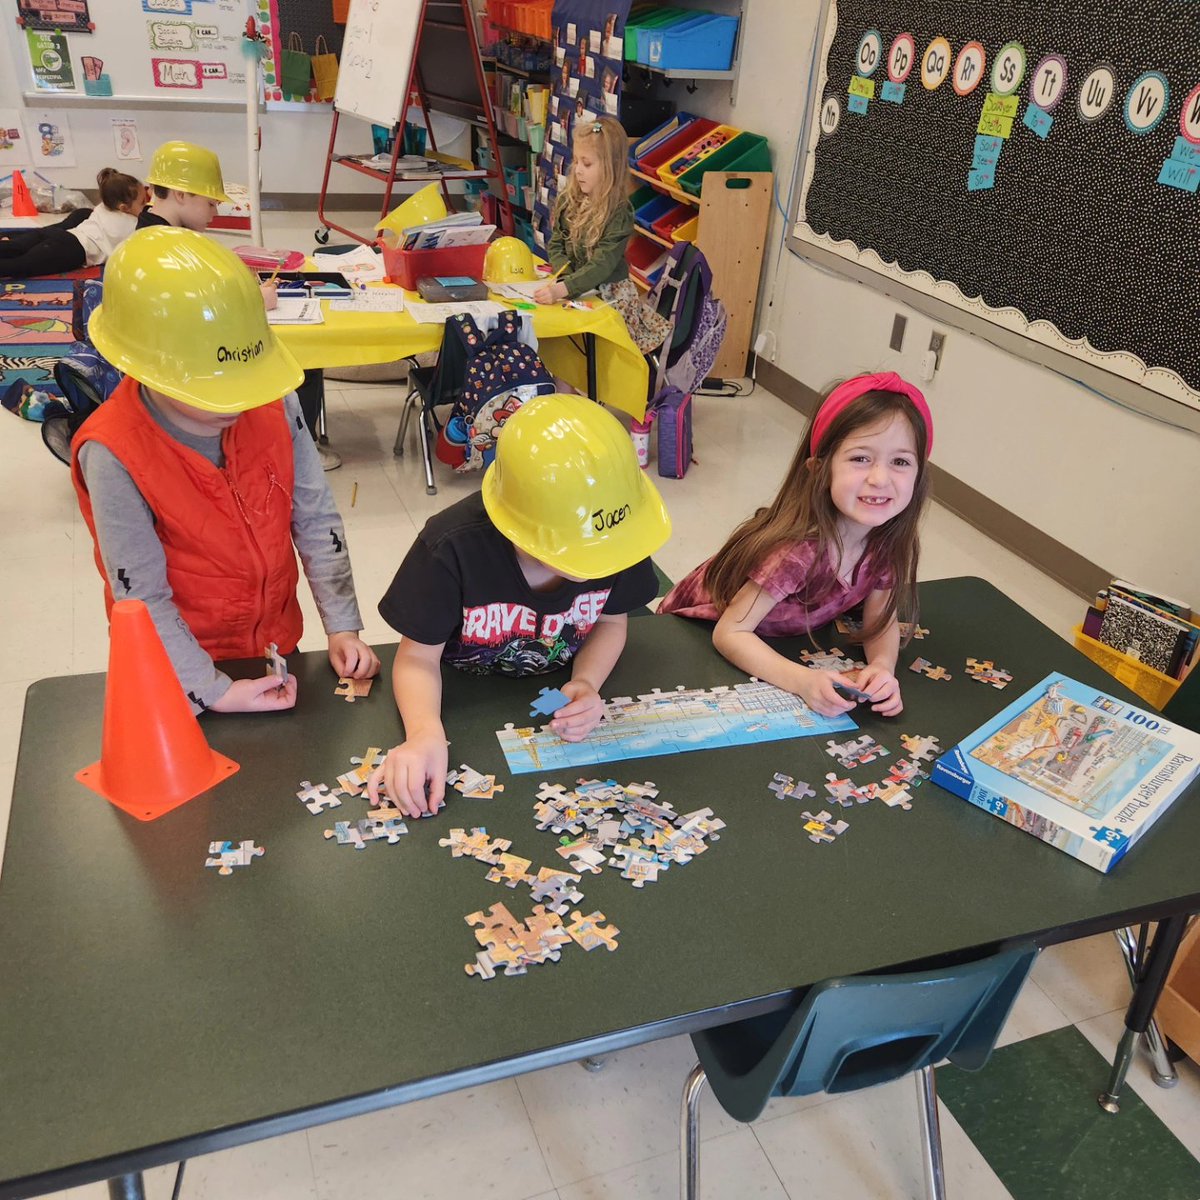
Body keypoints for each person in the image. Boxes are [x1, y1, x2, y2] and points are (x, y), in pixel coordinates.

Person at [71, 227, 379, 714]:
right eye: (216, 391)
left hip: (274, 645)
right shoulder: (111, 452)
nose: (240, 401)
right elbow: (142, 596)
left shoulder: (275, 401)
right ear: (151, 368)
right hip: (177, 663)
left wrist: (342, 626)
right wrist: (213, 692)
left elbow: (316, 520)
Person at [368, 394, 672, 817]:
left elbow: (611, 622)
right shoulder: (449, 548)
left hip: (549, 696)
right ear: (517, 520)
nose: (593, 564)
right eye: (570, 550)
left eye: (601, 552)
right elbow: (417, 658)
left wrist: (587, 682)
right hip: (459, 695)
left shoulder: (618, 537)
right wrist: (422, 732)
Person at [659, 372, 933, 718]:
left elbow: (880, 619)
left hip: (777, 639)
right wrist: (803, 681)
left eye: (901, 462)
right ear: (819, 469)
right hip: (692, 634)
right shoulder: (796, 550)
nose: (880, 479)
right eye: (860, 458)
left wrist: (881, 667)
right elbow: (730, 633)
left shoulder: (886, 539)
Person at [534, 115, 670, 354]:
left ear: (609, 166)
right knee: (559, 345)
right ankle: (565, 387)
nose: (578, 171)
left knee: (597, 356)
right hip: (576, 288)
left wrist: (564, 288)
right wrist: (564, 274)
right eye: (576, 161)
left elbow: (602, 265)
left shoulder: (619, 212)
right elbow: (557, 242)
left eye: (587, 164)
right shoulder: (570, 199)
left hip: (610, 297)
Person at [0, 168, 144, 279]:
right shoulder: (132, 225)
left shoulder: (103, 207)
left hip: (64, 235)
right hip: (71, 250)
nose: (146, 206)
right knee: (20, 266)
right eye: (143, 203)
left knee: (17, 248)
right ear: (124, 208)